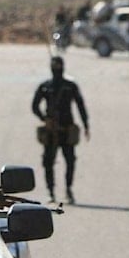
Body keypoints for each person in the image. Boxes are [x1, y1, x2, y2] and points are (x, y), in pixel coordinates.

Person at [32, 56, 90, 204]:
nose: (57, 69)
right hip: (51, 131)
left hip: (66, 129)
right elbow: (35, 106)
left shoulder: (70, 86)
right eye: (55, 66)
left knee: (70, 161)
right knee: (48, 162)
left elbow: (80, 105)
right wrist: (45, 119)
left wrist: (86, 124)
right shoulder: (46, 87)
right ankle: (51, 192)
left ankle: (68, 189)